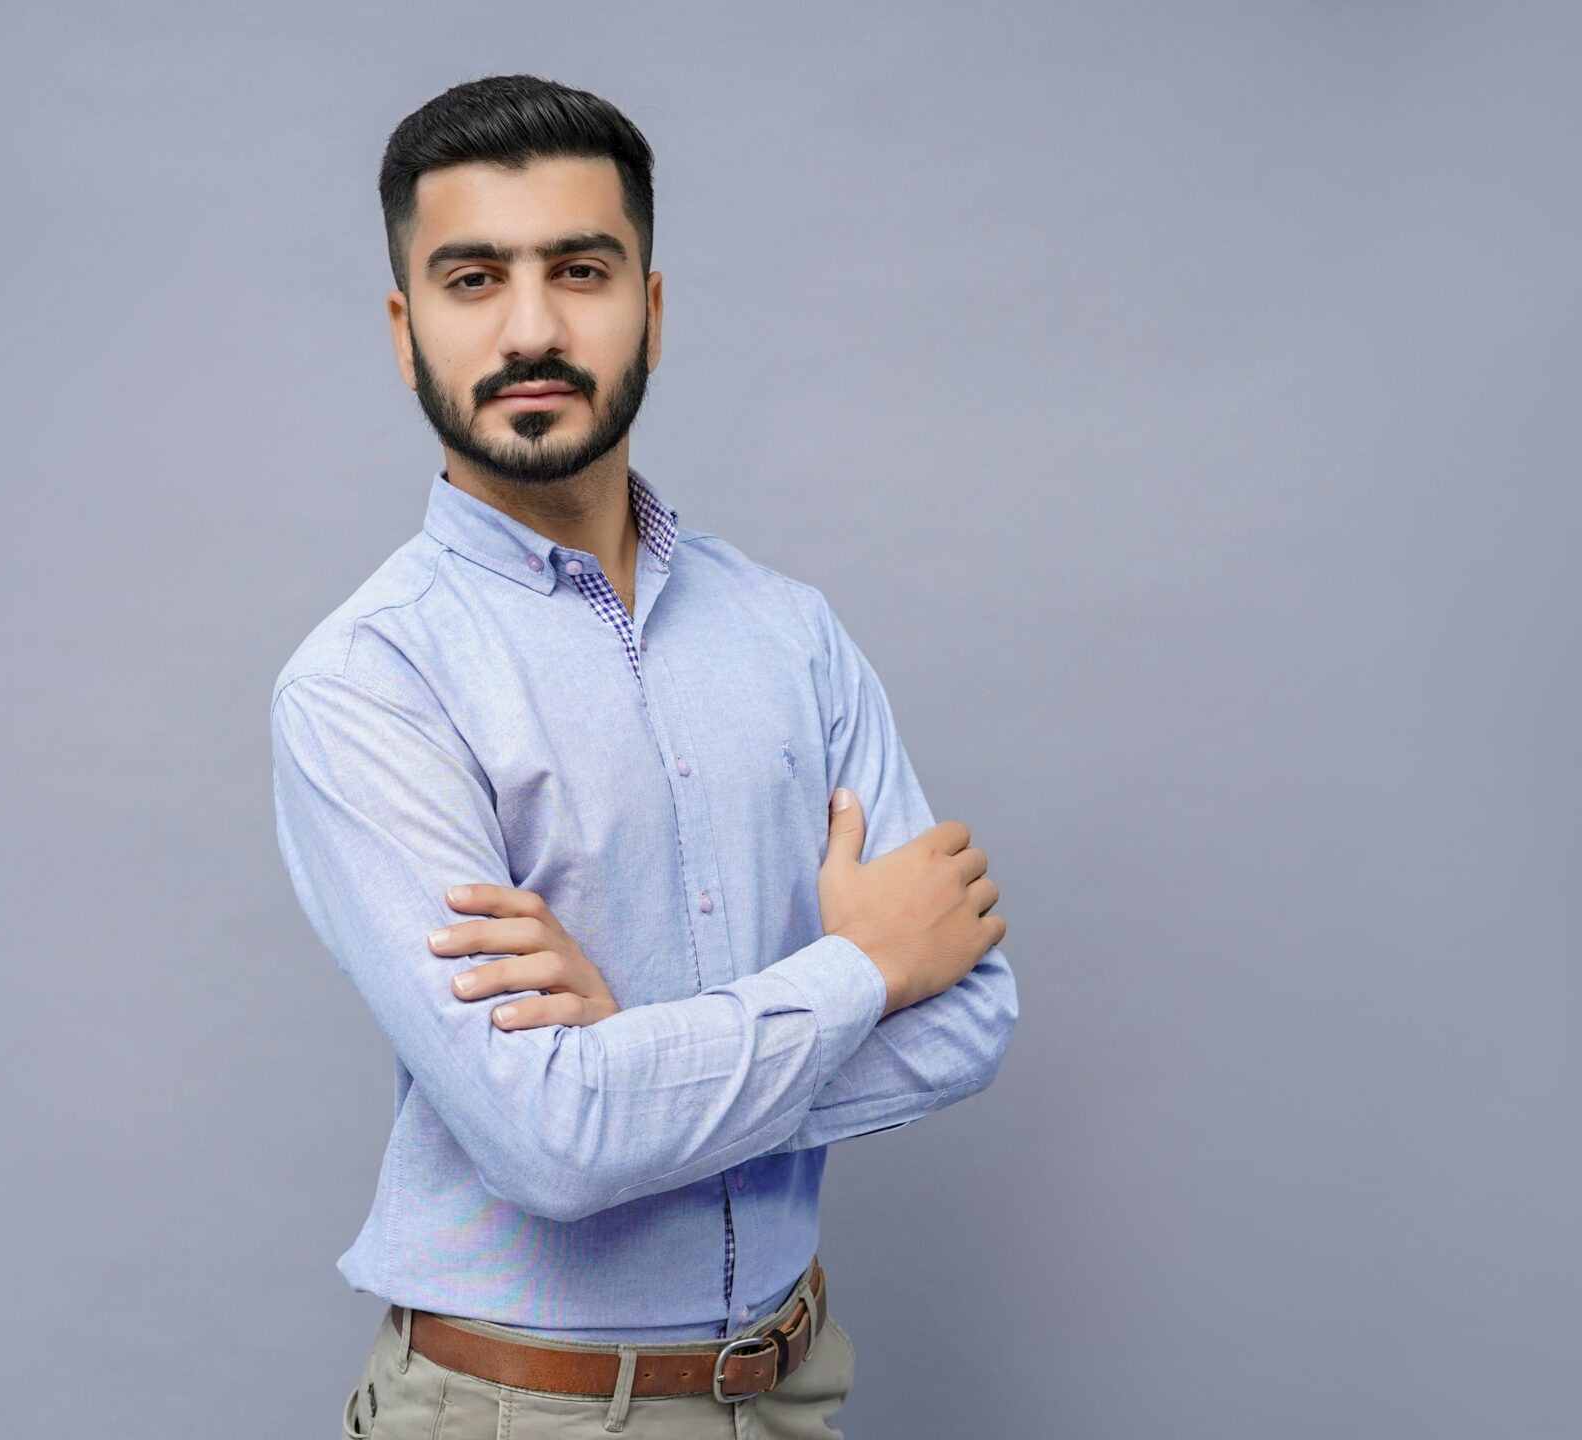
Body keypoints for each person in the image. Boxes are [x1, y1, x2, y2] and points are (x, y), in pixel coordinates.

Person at [269, 74, 1019, 1438]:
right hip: (516, 1413)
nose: (534, 326)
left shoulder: (793, 635)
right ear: (404, 330)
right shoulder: (368, 685)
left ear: (652, 310)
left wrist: (639, 1065)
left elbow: (973, 1015)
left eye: (582, 269)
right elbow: (556, 1139)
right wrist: (858, 973)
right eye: (473, 278)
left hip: (794, 1393)